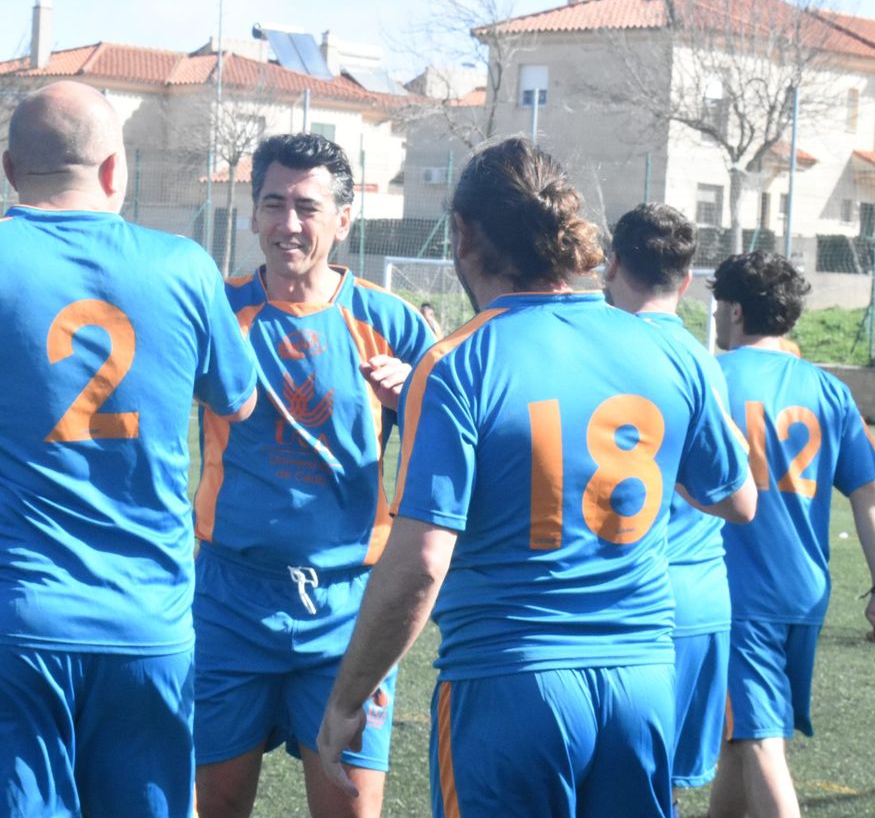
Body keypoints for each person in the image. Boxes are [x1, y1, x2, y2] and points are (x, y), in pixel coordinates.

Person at [315, 138, 755, 817]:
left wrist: (347, 697)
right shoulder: (666, 350)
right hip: (642, 679)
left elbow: (421, 564)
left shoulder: (458, 362)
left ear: (463, 235)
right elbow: (734, 497)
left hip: (509, 684)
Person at [0, 80, 259, 818]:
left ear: (10, 172)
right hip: (148, 624)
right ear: (116, 171)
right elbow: (238, 400)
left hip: (6, 623)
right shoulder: (185, 267)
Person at [193, 134, 435, 818]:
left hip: (350, 613)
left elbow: (452, 462)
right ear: (251, 214)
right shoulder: (217, 311)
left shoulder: (391, 323)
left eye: (307, 206)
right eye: (273, 204)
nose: (288, 224)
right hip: (228, 601)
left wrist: (413, 400)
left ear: (344, 220)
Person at [707, 251, 875, 818]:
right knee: (739, 742)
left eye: (718, 305)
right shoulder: (828, 390)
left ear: (736, 310)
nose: (714, 317)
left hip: (740, 595)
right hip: (802, 592)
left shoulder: (711, 380)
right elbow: (867, 497)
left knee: (760, 743)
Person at [603, 202, 746, 796]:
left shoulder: (602, 348)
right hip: (702, 599)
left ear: (610, 266)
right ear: (686, 282)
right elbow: (736, 494)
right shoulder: (703, 363)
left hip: (627, 602)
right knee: (656, 795)